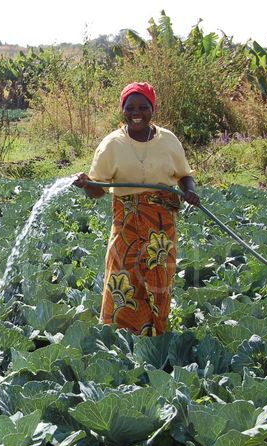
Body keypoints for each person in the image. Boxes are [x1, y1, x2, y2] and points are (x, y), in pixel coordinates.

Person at [73, 82, 200, 337]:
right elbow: (98, 190)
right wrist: (86, 183)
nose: (137, 112)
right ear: (123, 110)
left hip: (161, 228)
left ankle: (157, 336)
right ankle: (120, 339)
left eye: (143, 107)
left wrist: (190, 190)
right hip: (127, 224)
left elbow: (184, 175)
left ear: (152, 109)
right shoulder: (112, 144)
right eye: (130, 107)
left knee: (158, 279)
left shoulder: (168, 140)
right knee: (123, 278)